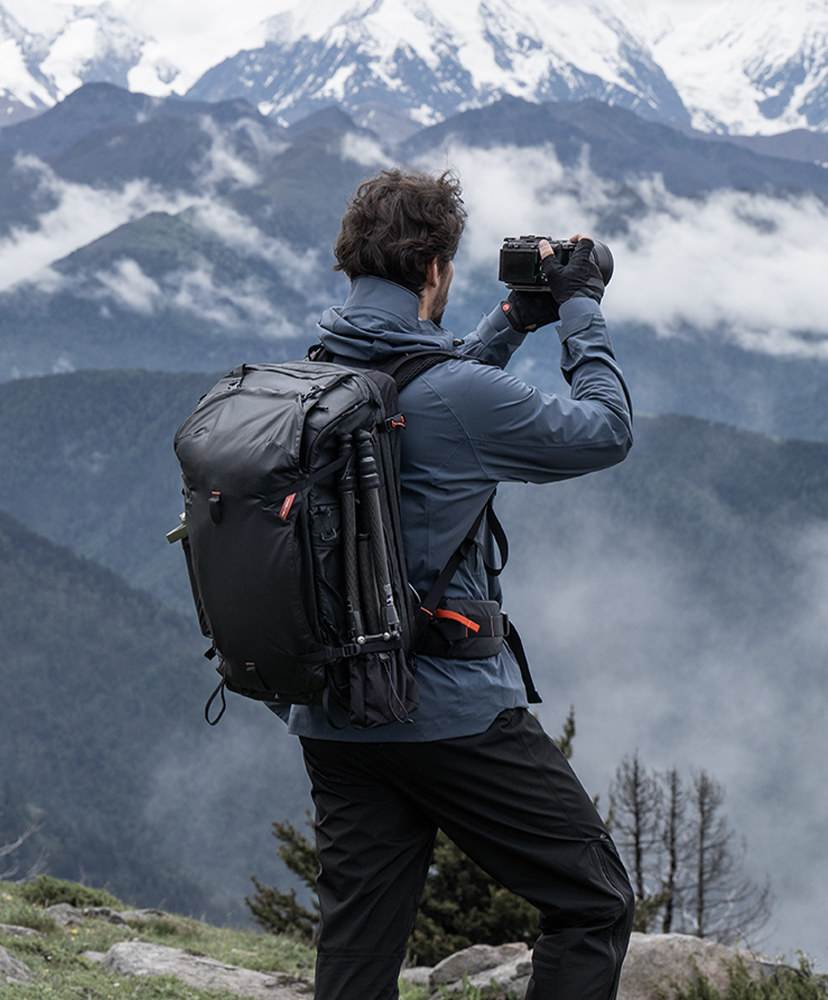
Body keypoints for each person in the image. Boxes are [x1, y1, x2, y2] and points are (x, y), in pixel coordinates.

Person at [278, 167, 635, 1000]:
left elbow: (420, 387)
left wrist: (510, 321)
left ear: (348, 262)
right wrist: (580, 309)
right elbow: (606, 431)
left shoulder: (320, 373)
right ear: (436, 268)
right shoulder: (456, 397)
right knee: (591, 902)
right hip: (446, 712)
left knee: (360, 947)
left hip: (334, 712)